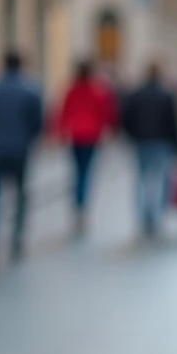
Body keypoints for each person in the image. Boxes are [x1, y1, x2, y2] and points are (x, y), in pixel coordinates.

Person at [0, 51, 44, 270]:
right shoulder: (31, 89)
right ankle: (17, 237)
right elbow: (37, 123)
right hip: (20, 150)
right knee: (21, 195)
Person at [121, 62, 177, 238]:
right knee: (159, 179)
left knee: (141, 179)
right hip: (161, 142)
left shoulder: (136, 94)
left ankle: (143, 217)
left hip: (141, 141)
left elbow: (126, 118)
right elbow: (173, 121)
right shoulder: (166, 95)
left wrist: (132, 136)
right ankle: (156, 217)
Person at [57, 59, 117, 235]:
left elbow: (64, 111)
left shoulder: (71, 89)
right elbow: (105, 113)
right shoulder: (98, 90)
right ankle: (82, 206)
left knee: (77, 171)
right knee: (86, 172)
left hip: (75, 134)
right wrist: (106, 131)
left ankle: (78, 204)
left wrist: (62, 132)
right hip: (91, 135)